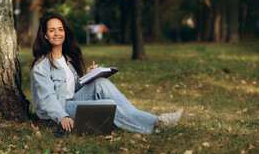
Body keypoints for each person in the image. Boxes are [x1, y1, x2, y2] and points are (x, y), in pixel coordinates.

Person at [31, 13, 183, 134]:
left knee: (100, 83)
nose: (57, 33)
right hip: (55, 113)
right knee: (108, 105)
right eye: (52, 30)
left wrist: (87, 77)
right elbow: (47, 98)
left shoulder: (67, 59)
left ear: (65, 32)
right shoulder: (41, 66)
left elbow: (69, 88)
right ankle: (157, 123)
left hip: (70, 102)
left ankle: (140, 118)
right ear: (45, 35)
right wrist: (62, 116)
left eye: (60, 29)